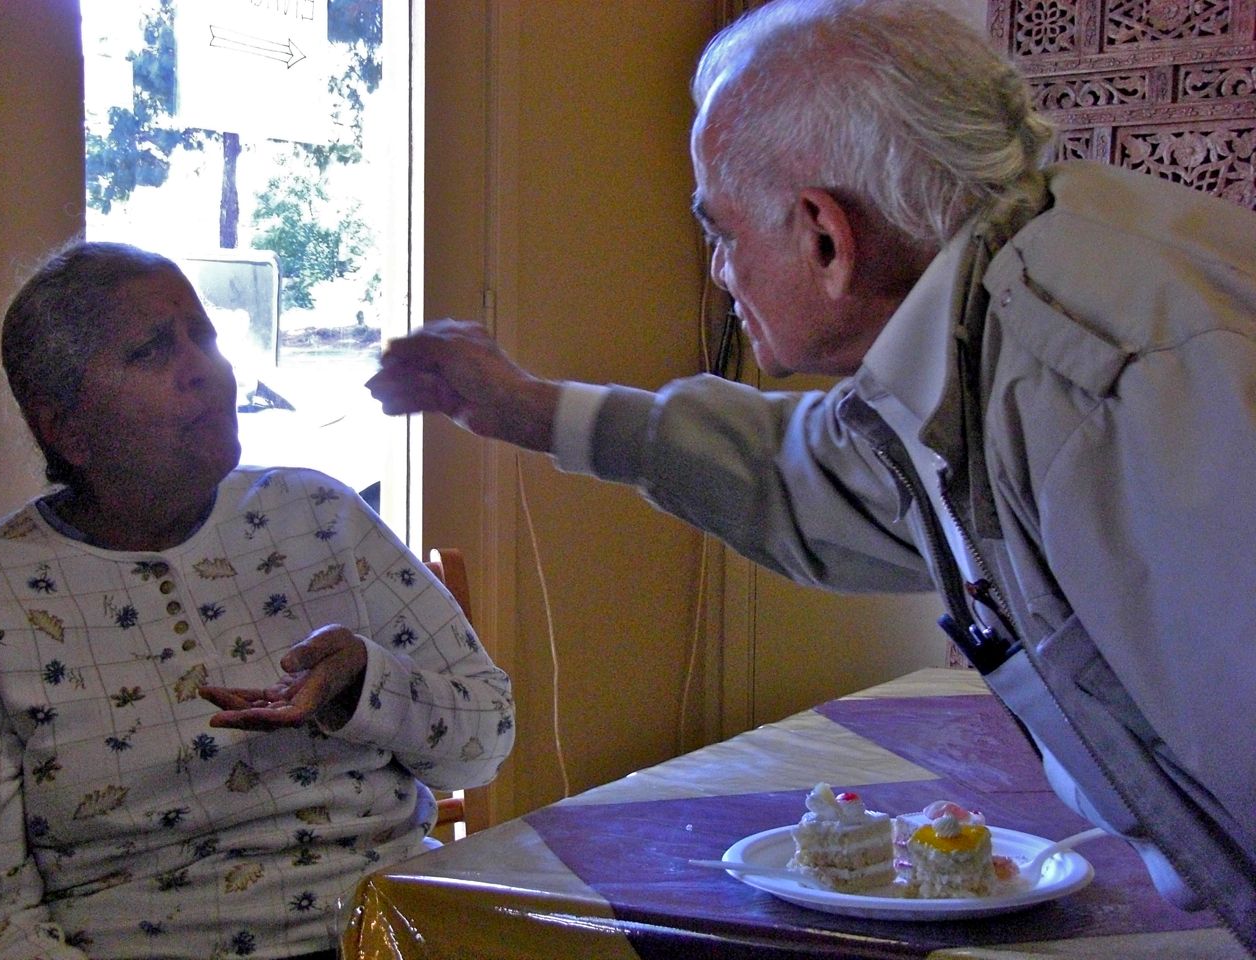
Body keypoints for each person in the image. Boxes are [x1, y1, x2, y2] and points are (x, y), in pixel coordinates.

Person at [366, 0, 1256, 950]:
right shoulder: (1003, 303)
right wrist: (529, 410)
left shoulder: (1102, 381)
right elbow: (813, 476)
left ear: (826, 237)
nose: (719, 271)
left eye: (723, 230)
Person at [0, 241, 515, 960]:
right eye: (149, 352)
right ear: (66, 428)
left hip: (393, 934)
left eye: (203, 336)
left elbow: (488, 741)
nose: (205, 370)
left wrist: (366, 684)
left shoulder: (317, 514)